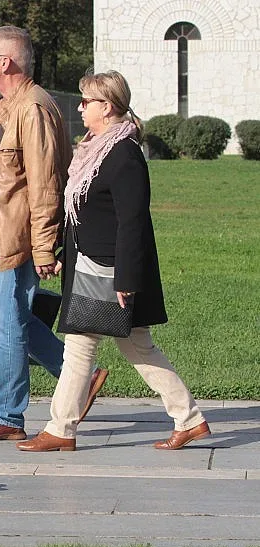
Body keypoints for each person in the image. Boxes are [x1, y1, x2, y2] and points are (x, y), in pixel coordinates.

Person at [17, 70, 210, 452]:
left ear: (107, 107)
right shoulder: (95, 148)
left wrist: (126, 278)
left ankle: (61, 428)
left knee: (80, 343)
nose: (80, 107)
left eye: (86, 101)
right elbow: (88, 214)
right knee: (137, 346)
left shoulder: (123, 154)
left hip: (109, 271)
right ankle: (189, 420)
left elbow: (132, 220)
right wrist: (61, 255)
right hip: (91, 264)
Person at [0, 26, 108, 442]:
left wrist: (43, 246)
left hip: (21, 235)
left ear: (5, 62)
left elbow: (44, 183)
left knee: (5, 323)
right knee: (11, 316)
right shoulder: (13, 104)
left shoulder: (34, 109)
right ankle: (79, 376)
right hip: (8, 230)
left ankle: (6, 415)